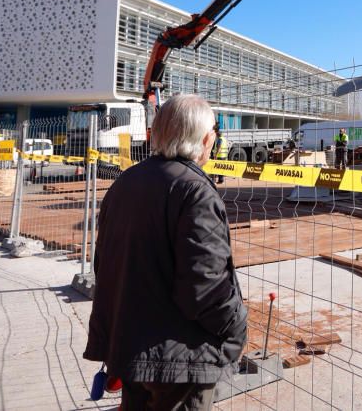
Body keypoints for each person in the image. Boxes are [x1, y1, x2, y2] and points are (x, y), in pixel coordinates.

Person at [84, 94, 248, 411]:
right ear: (203, 138)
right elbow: (205, 285)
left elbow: (103, 264)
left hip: (131, 347)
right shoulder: (195, 191)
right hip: (178, 361)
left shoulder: (125, 182)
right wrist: (237, 325)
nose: (215, 137)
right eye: (214, 130)